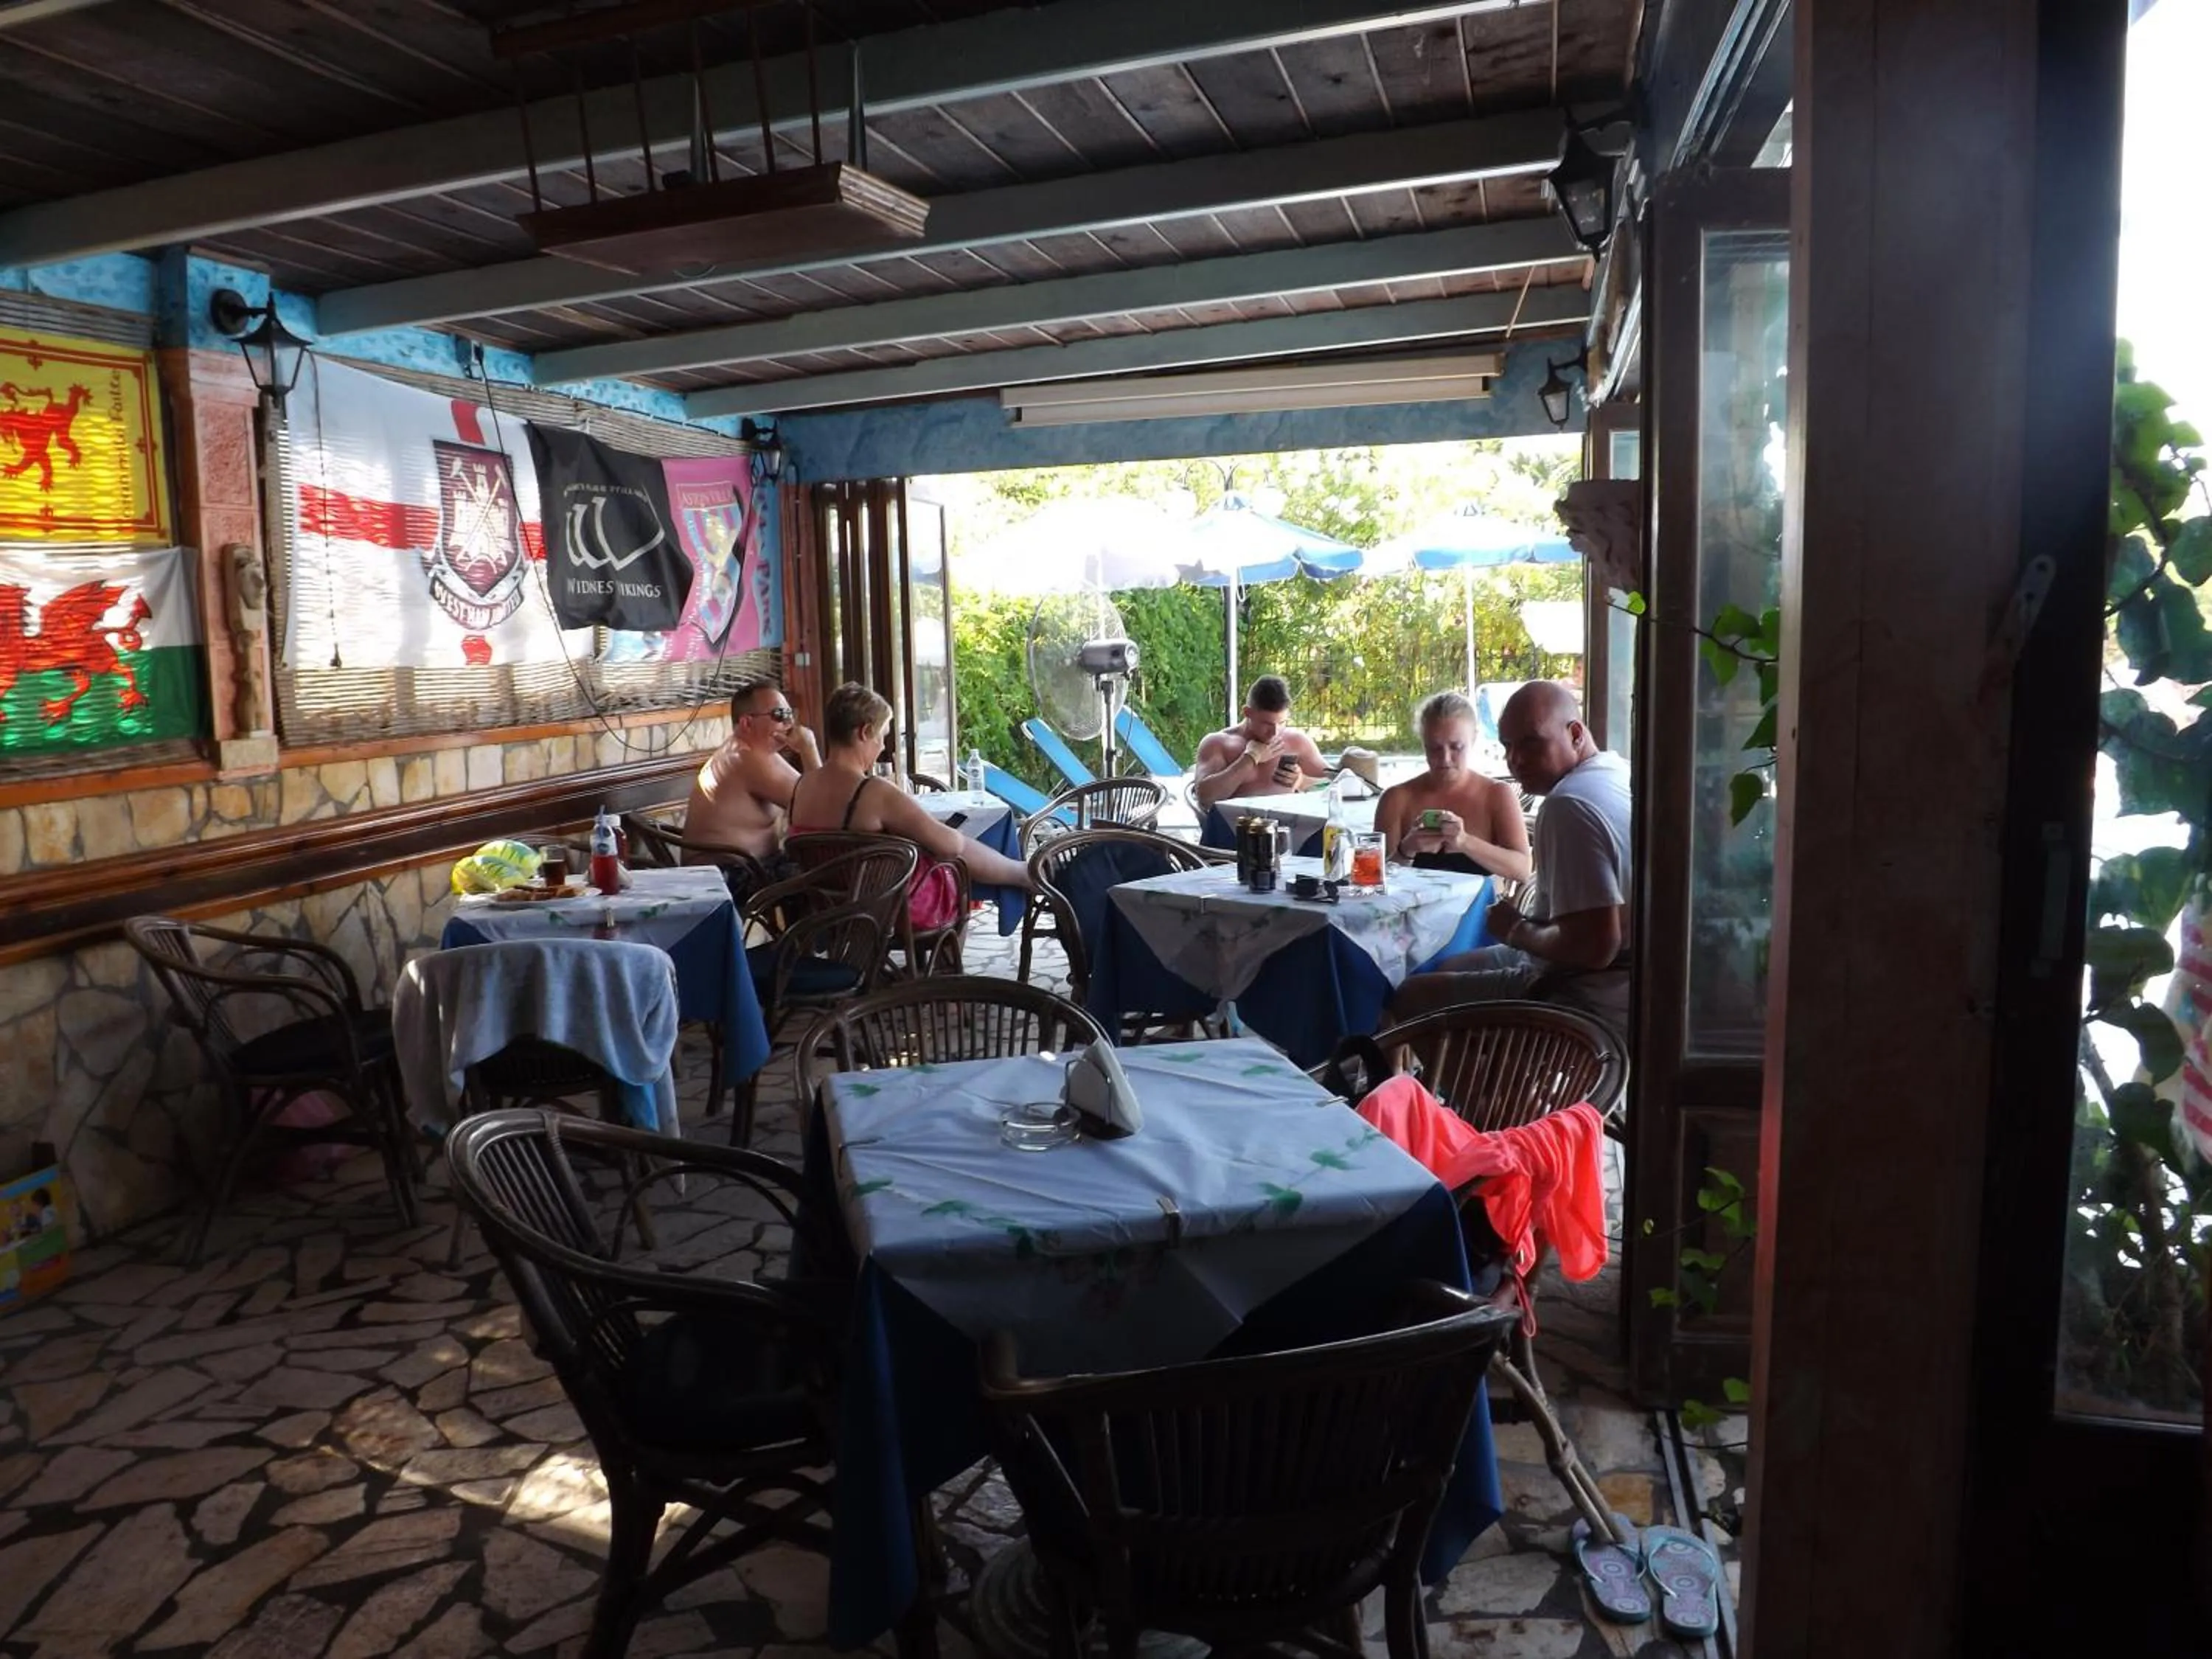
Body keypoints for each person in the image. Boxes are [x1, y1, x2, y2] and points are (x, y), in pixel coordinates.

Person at [1388, 681, 1632, 1036]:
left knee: (1412, 997)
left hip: (1584, 993)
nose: (1515, 759)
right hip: (1601, 975)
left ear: (1576, 734)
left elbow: (1595, 947)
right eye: (1507, 746)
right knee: (1446, 968)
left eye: (1531, 743)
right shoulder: (1615, 771)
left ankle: (1492, 1075)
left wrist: (1517, 930)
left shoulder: (1567, 805)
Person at [790, 685, 1035, 928]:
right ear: (865, 732)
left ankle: (1020, 873)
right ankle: (1022, 874)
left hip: (827, 911)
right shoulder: (873, 792)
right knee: (954, 851)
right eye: (882, 736)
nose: (883, 747)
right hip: (890, 912)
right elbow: (950, 846)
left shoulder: (801, 787)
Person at [1374, 690, 1532, 883]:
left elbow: (1522, 869)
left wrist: (1465, 842)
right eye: (1435, 748)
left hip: (1479, 903)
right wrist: (1406, 850)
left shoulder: (1496, 794)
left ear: (1473, 739)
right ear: (1423, 744)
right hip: (1410, 902)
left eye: (1456, 747)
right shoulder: (1396, 799)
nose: (1445, 759)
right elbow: (1376, 879)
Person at [684, 680, 820, 865]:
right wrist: (809, 748)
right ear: (747, 723)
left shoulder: (745, 750)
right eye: (779, 714)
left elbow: (812, 794)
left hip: (744, 869)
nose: (789, 722)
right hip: (731, 875)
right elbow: (820, 807)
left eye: (790, 714)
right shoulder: (748, 757)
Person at [1190, 675, 1332, 814]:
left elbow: (1336, 782)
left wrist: (1302, 781)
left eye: (1282, 723)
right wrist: (1250, 758)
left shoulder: (1297, 741)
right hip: (1237, 827)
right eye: (1267, 724)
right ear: (1247, 713)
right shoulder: (1218, 743)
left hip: (1288, 827)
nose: (1275, 732)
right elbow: (1205, 799)